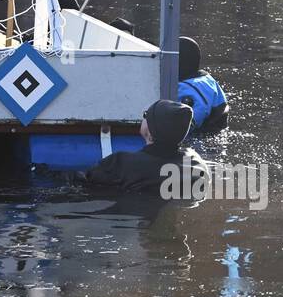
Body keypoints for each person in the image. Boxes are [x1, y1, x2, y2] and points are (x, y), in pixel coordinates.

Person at [75, 100, 209, 194]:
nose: (143, 118)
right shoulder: (196, 163)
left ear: (150, 130)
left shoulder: (121, 164)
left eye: (146, 115)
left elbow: (82, 182)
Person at [176, 36, 229, 135]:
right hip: (216, 130)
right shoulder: (206, 79)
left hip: (203, 139)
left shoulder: (188, 91)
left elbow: (185, 128)